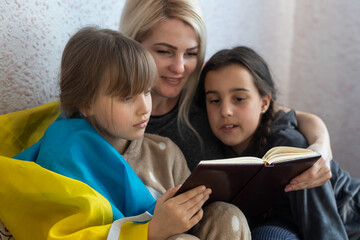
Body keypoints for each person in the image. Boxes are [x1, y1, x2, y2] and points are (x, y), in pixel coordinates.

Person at [0, 27, 253, 240]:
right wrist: (151, 231)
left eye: (147, 92)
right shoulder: (63, 159)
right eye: (126, 97)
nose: (145, 108)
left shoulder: (165, 152)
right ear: (85, 103)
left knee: (226, 214)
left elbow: (197, 217)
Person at [119, 0, 332, 192]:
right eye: (164, 51)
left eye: (191, 53)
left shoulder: (204, 82)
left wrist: (321, 148)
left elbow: (295, 117)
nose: (179, 67)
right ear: (132, 45)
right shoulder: (112, 102)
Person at [196, 46, 360, 240]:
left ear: (264, 103)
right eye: (214, 100)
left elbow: (324, 229)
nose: (225, 111)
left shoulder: (288, 144)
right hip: (285, 222)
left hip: (348, 214)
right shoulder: (210, 142)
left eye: (239, 99)